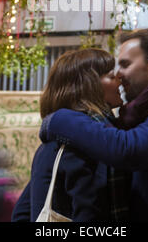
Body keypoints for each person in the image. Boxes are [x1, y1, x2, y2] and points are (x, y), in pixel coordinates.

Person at [40, 28, 148, 222]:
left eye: (125, 64)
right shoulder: (141, 114)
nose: (119, 75)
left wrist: (61, 118)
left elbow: (128, 150)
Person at [11, 48, 124, 222]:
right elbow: (89, 214)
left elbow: (21, 213)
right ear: (90, 85)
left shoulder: (50, 142)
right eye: (111, 76)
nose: (120, 80)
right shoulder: (89, 142)